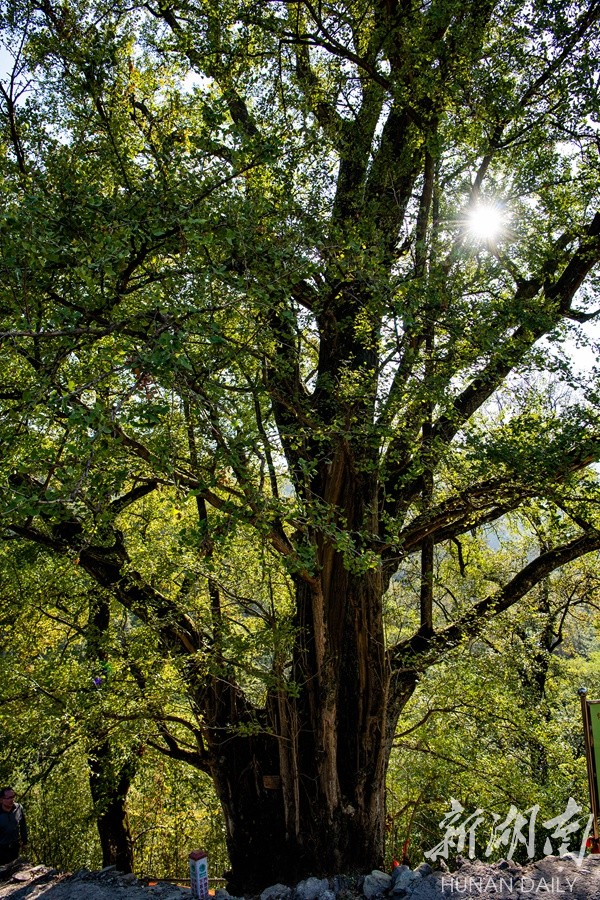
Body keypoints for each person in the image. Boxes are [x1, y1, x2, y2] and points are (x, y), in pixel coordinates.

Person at [0, 787, 27, 865]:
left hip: (15, 847)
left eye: (13, 796)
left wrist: (24, 841)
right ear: (1, 800)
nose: (12, 800)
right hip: (1, 849)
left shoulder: (18, 808)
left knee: (13, 870)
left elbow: (23, 825)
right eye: (9, 798)